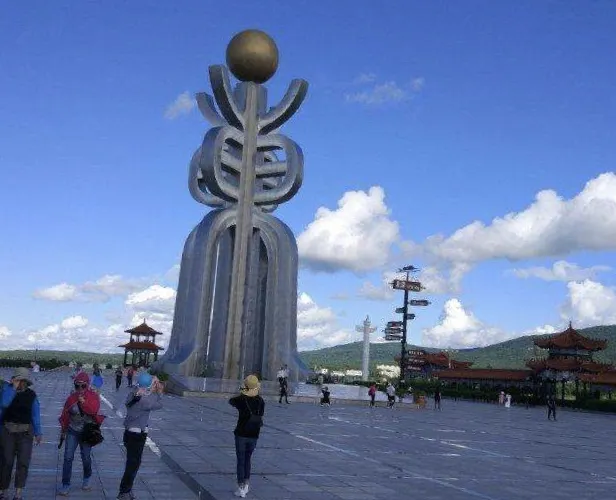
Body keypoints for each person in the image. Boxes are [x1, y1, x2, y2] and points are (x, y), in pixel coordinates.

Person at [117, 372, 164, 500]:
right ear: (148, 386)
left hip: (129, 433)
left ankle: (127, 490)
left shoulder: (133, 393)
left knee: (132, 463)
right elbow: (159, 404)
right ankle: (124, 492)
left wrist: (151, 385)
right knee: (133, 465)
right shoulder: (145, 401)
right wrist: (159, 391)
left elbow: (139, 393)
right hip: (136, 436)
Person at [58, 372, 105, 496]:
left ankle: (87, 477)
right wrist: (63, 430)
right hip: (72, 430)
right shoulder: (71, 398)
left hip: (86, 432)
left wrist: (84, 402)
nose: (80, 388)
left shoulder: (93, 396)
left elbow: (93, 411)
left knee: (86, 457)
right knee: (68, 457)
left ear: (87, 385)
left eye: (83, 386)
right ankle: (65, 484)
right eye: (77, 385)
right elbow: (65, 415)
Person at [0, 368, 43, 500]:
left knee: (23, 462)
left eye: (22, 380)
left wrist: (38, 432)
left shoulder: (31, 395)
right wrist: (12, 388)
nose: (20, 383)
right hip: (8, 431)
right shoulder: (6, 390)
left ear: (26, 382)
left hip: (25, 432)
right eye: (18, 380)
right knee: (6, 461)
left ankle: (18, 493)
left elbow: (35, 414)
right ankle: (3, 491)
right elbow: (4, 404)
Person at [229, 375, 265, 498]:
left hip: (241, 434)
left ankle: (241, 488)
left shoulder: (241, 399)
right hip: (254, 434)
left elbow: (231, 401)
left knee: (241, 460)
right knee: (248, 459)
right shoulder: (261, 401)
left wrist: (242, 391)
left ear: (246, 387)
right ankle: (246, 484)